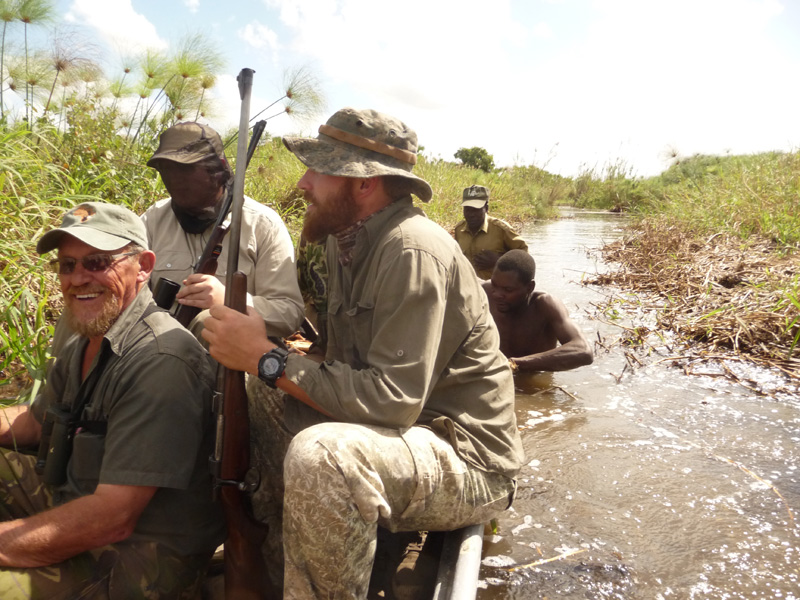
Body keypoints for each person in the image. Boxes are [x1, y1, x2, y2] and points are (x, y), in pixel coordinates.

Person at [201, 107, 525, 598]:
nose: (304, 182)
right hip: (399, 435)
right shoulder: (342, 242)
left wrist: (268, 356)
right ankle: (273, 566)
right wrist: (265, 365)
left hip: (466, 458)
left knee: (322, 455)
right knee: (258, 392)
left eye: (319, 169)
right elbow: (339, 361)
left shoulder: (411, 251)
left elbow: (393, 402)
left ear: (364, 183)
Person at [0, 202, 225, 598]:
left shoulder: (162, 360)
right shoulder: (85, 336)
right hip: (77, 497)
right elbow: (36, 423)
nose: (78, 278)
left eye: (98, 262)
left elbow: (113, 518)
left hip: (136, 563)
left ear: (143, 265)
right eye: (67, 266)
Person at [141, 121, 305, 339]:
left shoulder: (262, 224)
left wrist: (229, 301)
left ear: (217, 170)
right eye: (167, 169)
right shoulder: (153, 220)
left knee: (207, 322)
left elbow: (289, 313)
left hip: (233, 357)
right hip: (156, 351)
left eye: (186, 169)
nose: (176, 179)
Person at [484, 249, 594, 372]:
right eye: (494, 285)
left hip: (532, 378)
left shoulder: (545, 305)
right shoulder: (484, 293)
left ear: (530, 287)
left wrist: (514, 364)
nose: (497, 294)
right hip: (495, 374)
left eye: (508, 290)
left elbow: (584, 351)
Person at [453, 184, 528, 279]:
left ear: (486, 209)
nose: (471, 214)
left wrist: (499, 261)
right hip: (468, 289)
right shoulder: (459, 230)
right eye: (467, 209)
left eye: (476, 210)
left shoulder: (501, 229)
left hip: (495, 291)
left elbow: (525, 257)